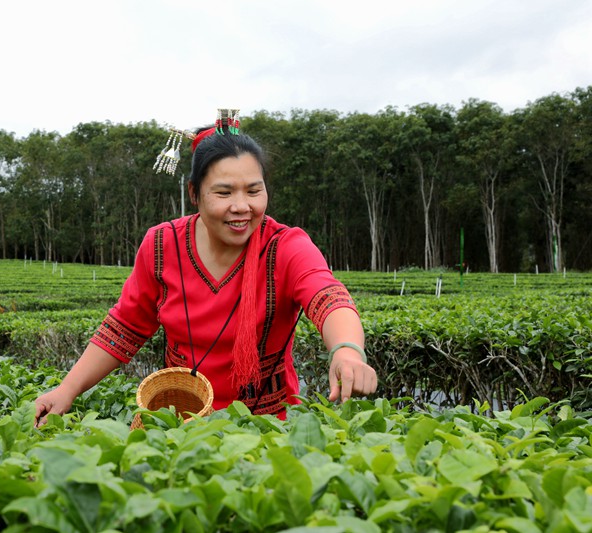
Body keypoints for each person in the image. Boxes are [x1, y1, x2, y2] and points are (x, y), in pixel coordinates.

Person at [34, 122, 377, 427]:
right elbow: (125, 327)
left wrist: (346, 350)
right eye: (224, 192)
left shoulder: (285, 246)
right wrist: (67, 390)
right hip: (179, 422)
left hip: (264, 428)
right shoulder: (161, 244)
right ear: (194, 194)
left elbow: (328, 297)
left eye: (254, 191)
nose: (242, 206)